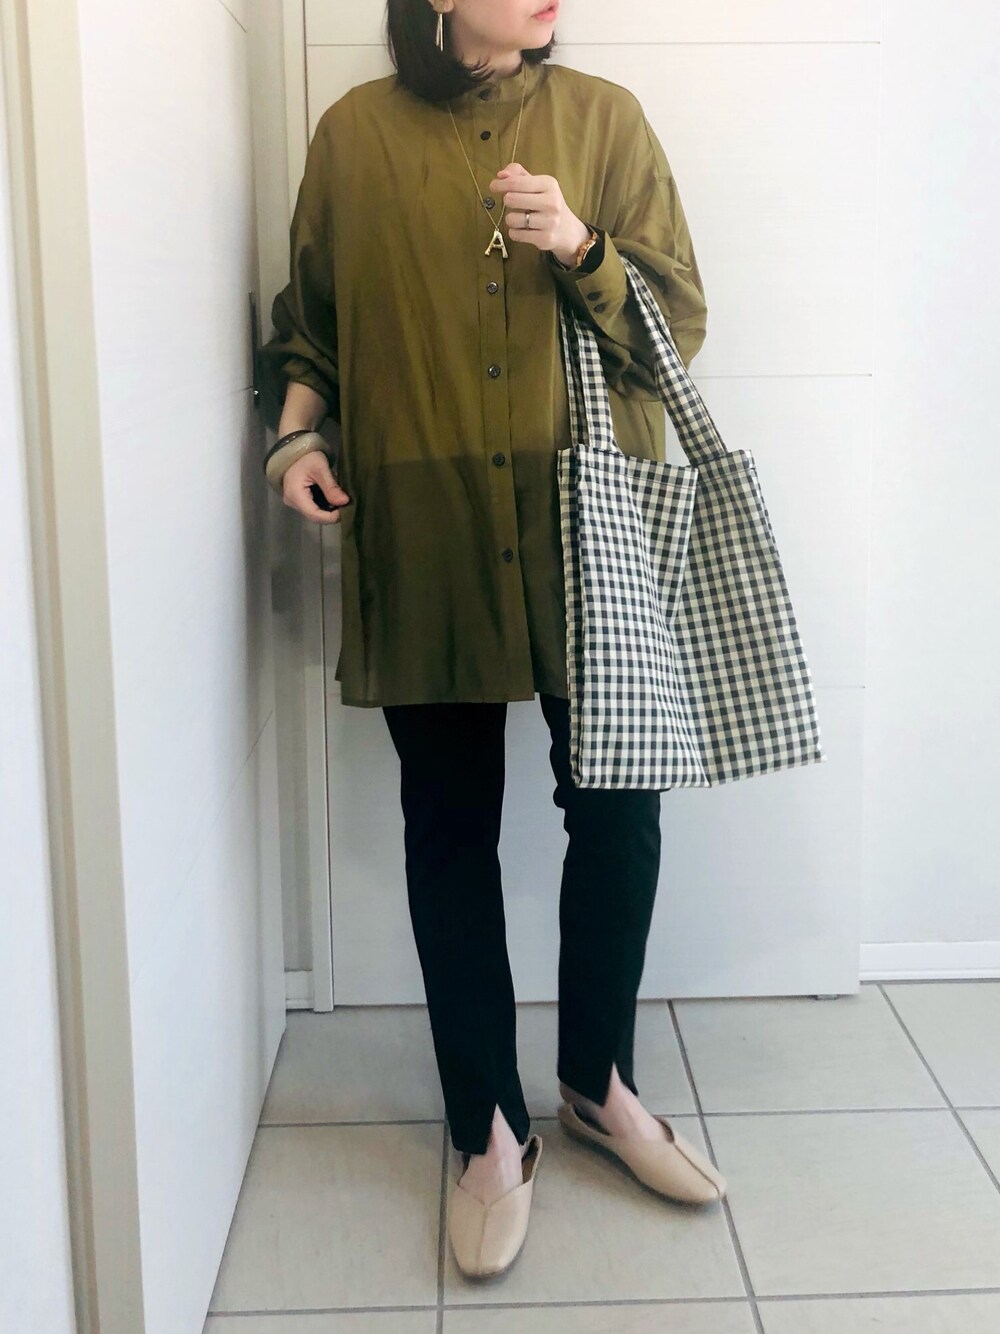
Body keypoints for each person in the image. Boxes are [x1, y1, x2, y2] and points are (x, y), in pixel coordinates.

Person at [259, 0, 726, 1279]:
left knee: (619, 805)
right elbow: (314, 324)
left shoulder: (604, 122)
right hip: (428, 516)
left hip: (589, 517)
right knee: (449, 824)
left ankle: (597, 1081)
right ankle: (484, 1128)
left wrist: (579, 243)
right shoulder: (353, 135)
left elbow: (673, 327)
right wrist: (294, 439)